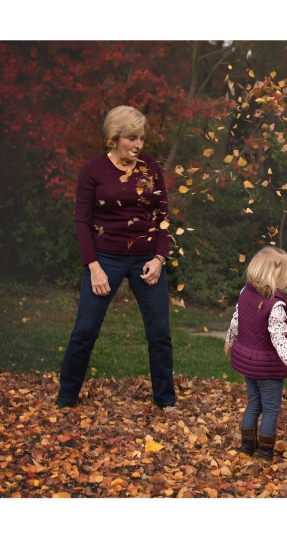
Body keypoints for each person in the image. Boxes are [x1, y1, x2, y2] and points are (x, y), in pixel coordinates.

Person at [56, 105, 176, 411]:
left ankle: (166, 402)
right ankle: (66, 399)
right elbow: (82, 220)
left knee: (160, 334)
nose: (138, 145)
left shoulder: (151, 168)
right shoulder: (93, 169)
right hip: (105, 259)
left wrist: (160, 258)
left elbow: (163, 217)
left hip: (147, 260)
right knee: (85, 331)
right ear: (114, 137)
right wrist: (93, 266)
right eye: (131, 138)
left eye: (142, 138)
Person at [224, 247, 287, 460]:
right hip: (267, 367)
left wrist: (229, 340)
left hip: (248, 363)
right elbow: (278, 337)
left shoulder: (245, 292)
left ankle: (247, 448)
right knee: (270, 409)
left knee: (253, 403)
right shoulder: (275, 305)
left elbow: (236, 320)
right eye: (286, 275)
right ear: (274, 276)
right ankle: (265, 454)